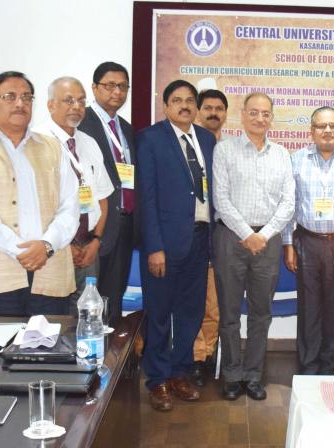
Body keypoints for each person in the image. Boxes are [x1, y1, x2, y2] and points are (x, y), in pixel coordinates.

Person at [0, 71, 79, 316]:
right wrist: (20, 250)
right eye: (10, 96)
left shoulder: (54, 148)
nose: (20, 103)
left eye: (27, 97)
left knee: (50, 350)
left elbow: (70, 206)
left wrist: (47, 245)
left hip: (50, 275)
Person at [135, 80, 216, 411]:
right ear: (165, 106)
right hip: (165, 245)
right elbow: (147, 196)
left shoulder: (207, 139)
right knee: (158, 314)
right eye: (177, 100)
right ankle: (157, 380)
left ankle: (180, 372)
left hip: (199, 240)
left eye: (190, 101)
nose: (184, 106)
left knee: (190, 312)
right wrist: (154, 246)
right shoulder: (151, 139)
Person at [213, 92, 294, 401]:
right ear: (243, 115)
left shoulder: (282, 154)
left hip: (268, 242)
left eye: (266, 113)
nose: (260, 118)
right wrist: (248, 233)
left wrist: (266, 234)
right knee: (230, 313)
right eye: (254, 112)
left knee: (262, 313)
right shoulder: (225, 150)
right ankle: (232, 375)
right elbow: (221, 198)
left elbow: (288, 203)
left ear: (272, 118)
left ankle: (253, 375)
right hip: (231, 239)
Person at [282, 106, 334, 375]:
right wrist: (288, 244)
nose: (327, 131)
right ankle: (308, 365)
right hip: (307, 241)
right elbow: (289, 205)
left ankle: (332, 366)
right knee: (309, 306)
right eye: (321, 126)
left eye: (333, 125)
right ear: (311, 130)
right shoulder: (296, 159)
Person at [36, 77, 114, 316]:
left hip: (89, 248)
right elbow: (37, 205)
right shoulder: (37, 143)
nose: (76, 107)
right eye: (68, 100)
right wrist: (63, 244)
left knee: (87, 317)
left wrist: (97, 240)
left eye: (81, 101)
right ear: (51, 105)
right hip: (54, 249)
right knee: (54, 321)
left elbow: (102, 198)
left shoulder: (88, 142)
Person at [77, 62, 139, 326]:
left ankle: (112, 362)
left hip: (124, 224)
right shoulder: (81, 125)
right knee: (88, 300)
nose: (117, 92)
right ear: (94, 87)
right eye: (110, 85)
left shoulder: (126, 129)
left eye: (123, 86)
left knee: (113, 299)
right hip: (95, 228)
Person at [189, 88, 229, 387]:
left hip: (219, 236)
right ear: (198, 111)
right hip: (190, 233)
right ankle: (195, 356)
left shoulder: (228, 148)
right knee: (193, 302)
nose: (214, 113)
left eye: (219, 108)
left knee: (213, 303)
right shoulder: (188, 146)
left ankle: (208, 353)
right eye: (208, 108)